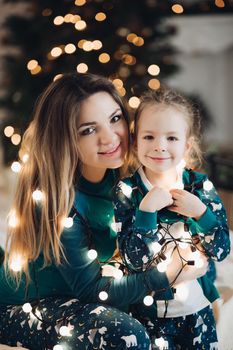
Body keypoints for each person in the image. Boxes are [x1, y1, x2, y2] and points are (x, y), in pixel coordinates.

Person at [0, 74, 208, 350]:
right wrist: (168, 274)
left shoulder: (126, 180)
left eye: (114, 119)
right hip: (26, 306)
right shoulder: (59, 201)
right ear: (65, 139)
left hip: (95, 294)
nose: (110, 138)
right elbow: (92, 291)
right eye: (88, 130)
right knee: (125, 333)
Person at [114, 87, 230, 349]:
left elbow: (222, 249)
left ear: (187, 145)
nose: (159, 146)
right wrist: (145, 212)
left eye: (171, 138)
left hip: (197, 310)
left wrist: (201, 212)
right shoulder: (127, 191)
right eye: (149, 136)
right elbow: (134, 261)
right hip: (148, 314)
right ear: (135, 142)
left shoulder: (199, 187)